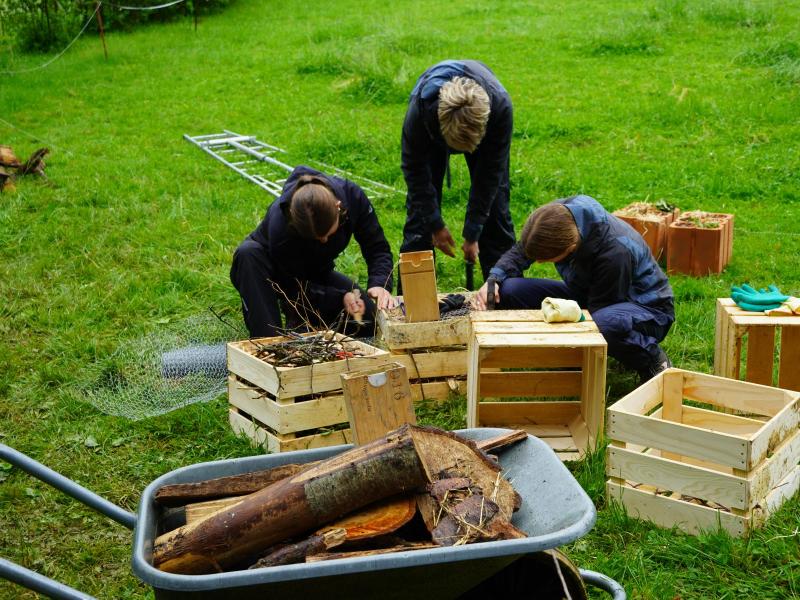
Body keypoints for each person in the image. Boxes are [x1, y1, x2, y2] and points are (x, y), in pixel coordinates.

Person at [473, 195, 675, 382]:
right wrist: (494, 280)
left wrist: (563, 344)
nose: (540, 262)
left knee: (603, 325)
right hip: (590, 295)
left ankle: (652, 358)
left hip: (645, 311)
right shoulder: (556, 216)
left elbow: (601, 308)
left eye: (547, 260)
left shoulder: (615, 254)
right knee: (510, 289)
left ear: (570, 249)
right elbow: (521, 251)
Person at [230, 165, 396, 338]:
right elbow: (293, 289)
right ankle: (270, 341)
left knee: (367, 321)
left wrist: (380, 283)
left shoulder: (352, 196)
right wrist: (339, 298)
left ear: (338, 208)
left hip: (316, 273)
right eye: (315, 238)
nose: (323, 241)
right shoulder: (281, 228)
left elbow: (377, 247)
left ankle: (311, 326)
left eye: (326, 235)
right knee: (247, 253)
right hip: (274, 274)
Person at [400, 59, 516, 283]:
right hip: (433, 124)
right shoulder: (420, 112)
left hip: (486, 124)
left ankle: (507, 294)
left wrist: (474, 231)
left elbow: (489, 177)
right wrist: (435, 224)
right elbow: (415, 172)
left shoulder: (501, 109)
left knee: (496, 212)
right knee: (419, 220)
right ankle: (412, 305)